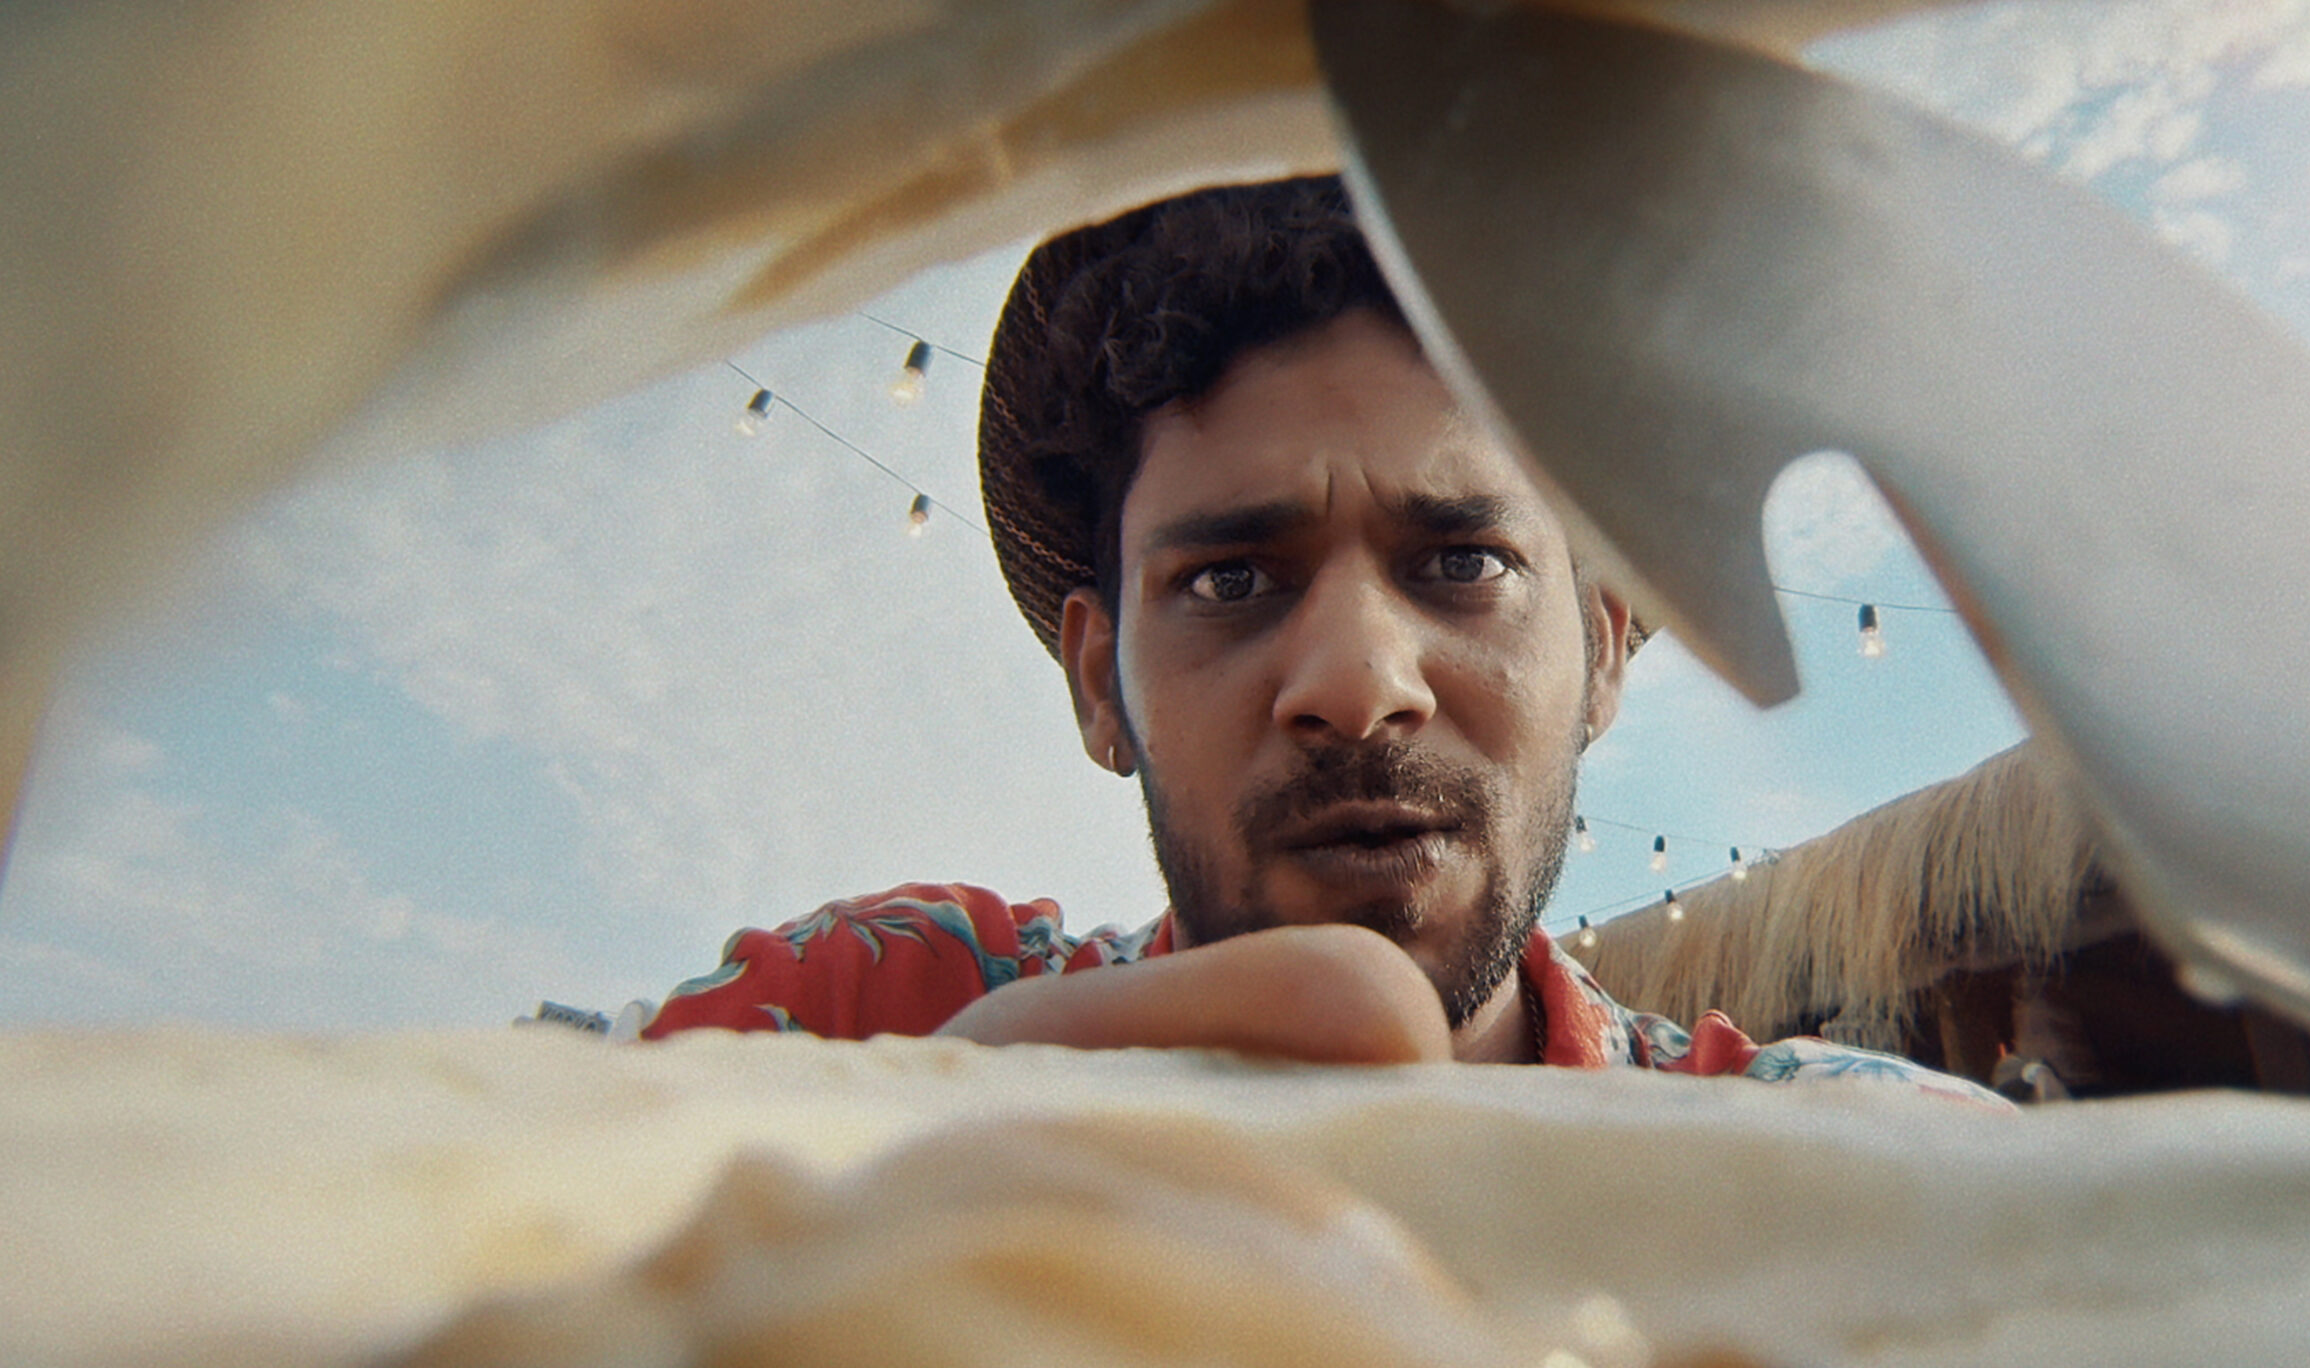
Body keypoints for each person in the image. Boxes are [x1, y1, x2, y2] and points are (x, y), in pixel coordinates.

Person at [639, 176, 1997, 1101]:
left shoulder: (1843, 1176)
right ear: (1097, 684)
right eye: (1231, 582)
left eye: (1462, 563)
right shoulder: (858, 1028)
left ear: (1603, 648)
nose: (1356, 684)